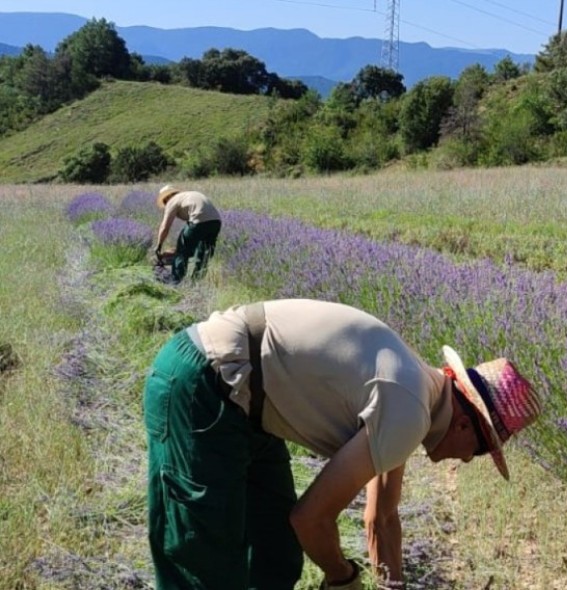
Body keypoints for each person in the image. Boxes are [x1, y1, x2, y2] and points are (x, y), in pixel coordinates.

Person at [143, 298, 542, 590]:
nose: (470, 461)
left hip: (250, 406)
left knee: (276, 553)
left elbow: (381, 516)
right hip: (205, 383)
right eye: (479, 451)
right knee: (205, 560)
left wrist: (392, 586)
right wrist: (343, 576)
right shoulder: (409, 408)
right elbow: (310, 519)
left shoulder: (417, 394)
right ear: (465, 425)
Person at [153, 184, 222, 284]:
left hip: (199, 220)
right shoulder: (188, 195)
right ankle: (196, 282)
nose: (165, 203)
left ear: (167, 197)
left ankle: (175, 281)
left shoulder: (172, 201)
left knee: (182, 251)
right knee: (203, 254)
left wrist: (159, 246)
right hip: (216, 222)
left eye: (165, 201)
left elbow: (165, 227)